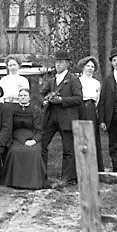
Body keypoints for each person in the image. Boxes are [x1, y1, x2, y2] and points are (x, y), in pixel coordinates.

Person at [40, 50, 83, 187]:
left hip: (66, 117)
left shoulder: (73, 80)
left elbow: (78, 99)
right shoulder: (52, 80)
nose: (58, 65)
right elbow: (41, 95)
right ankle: (41, 175)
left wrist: (62, 100)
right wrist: (45, 100)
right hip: (50, 117)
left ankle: (67, 177)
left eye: (61, 62)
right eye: (56, 62)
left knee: (68, 149)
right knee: (42, 144)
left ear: (67, 64)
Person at [2, 87, 46, 189]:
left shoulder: (35, 111)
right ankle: (15, 182)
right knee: (14, 151)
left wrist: (34, 140)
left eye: (25, 96)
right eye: (20, 96)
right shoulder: (12, 110)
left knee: (34, 152)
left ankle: (32, 182)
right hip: (16, 137)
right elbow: (9, 127)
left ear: (29, 98)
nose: (22, 97)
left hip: (32, 137)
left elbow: (39, 130)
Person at [77, 55, 104, 172]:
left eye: (92, 67)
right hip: (80, 108)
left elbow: (98, 100)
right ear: (83, 67)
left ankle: (96, 168)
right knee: (81, 137)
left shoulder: (96, 83)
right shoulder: (78, 81)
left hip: (92, 109)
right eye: (88, 66)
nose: (90, 68)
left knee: (93, 137)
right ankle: (82, 168)